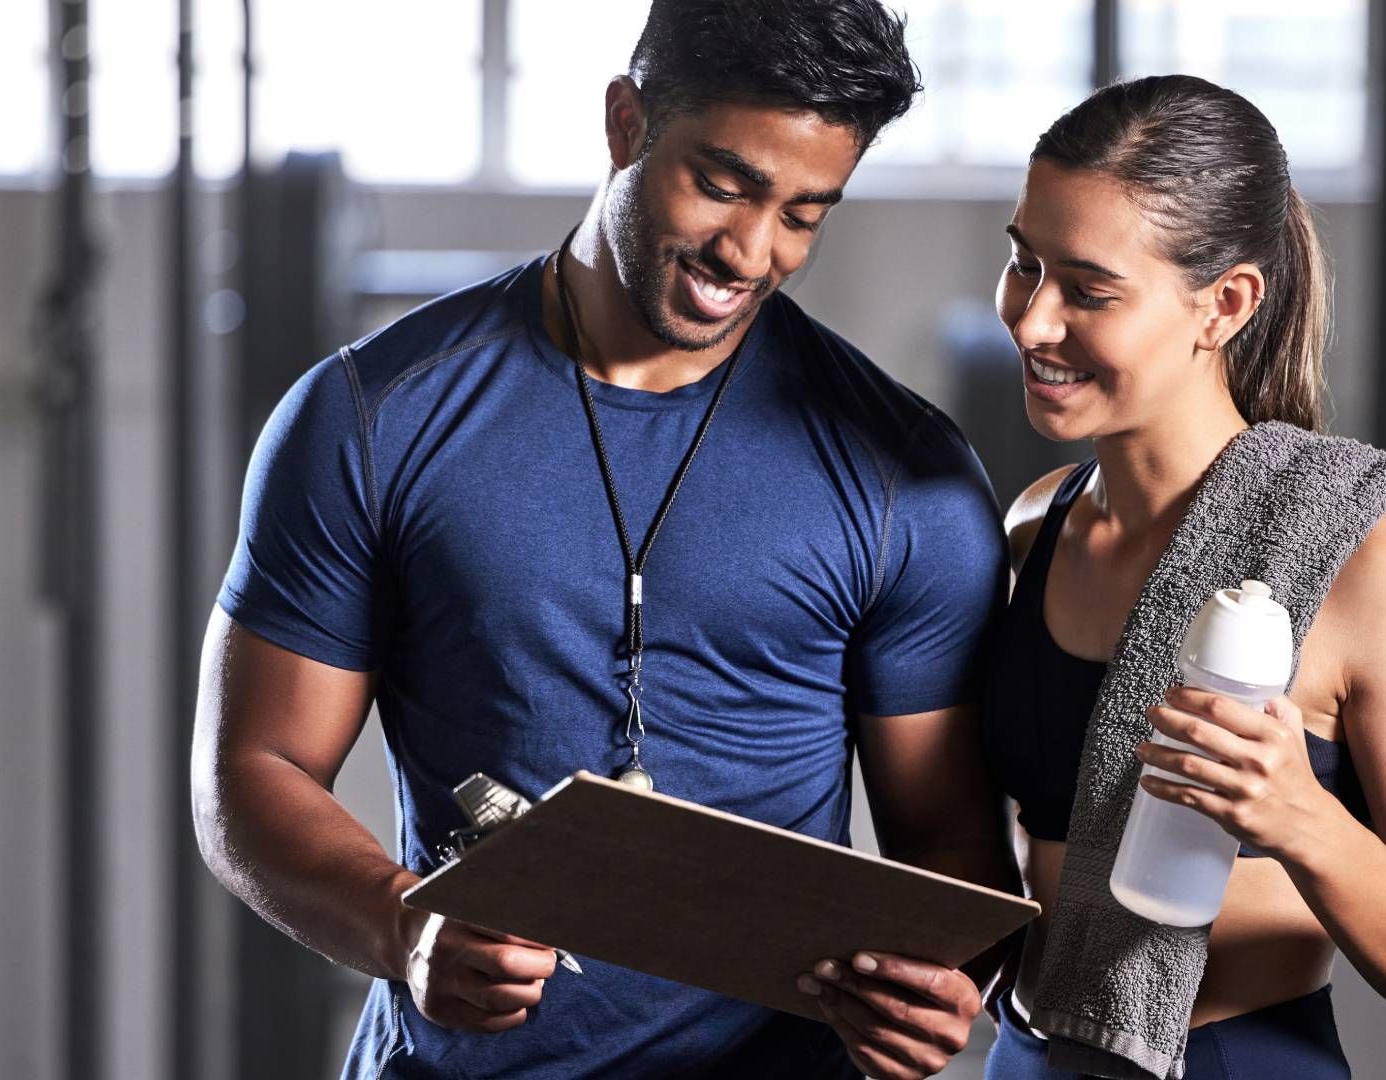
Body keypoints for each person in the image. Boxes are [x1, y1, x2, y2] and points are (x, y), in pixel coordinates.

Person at [191, 2, 1021, 1077]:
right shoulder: (370, 418)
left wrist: (936, 987)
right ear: (626, 122)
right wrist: (405, 927)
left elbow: (951, 853)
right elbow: (253, 771)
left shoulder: (906, 478)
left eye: (804, 215)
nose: (750, 251)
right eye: (721, 184)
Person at [980, 76, 1386, 1078]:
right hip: (1029, 1050)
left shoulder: (1370, 573)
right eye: (1021, 263)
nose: (1033, 321)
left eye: (1087, 290)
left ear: (1224, 305)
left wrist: (1298, 818)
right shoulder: (1034, 524)